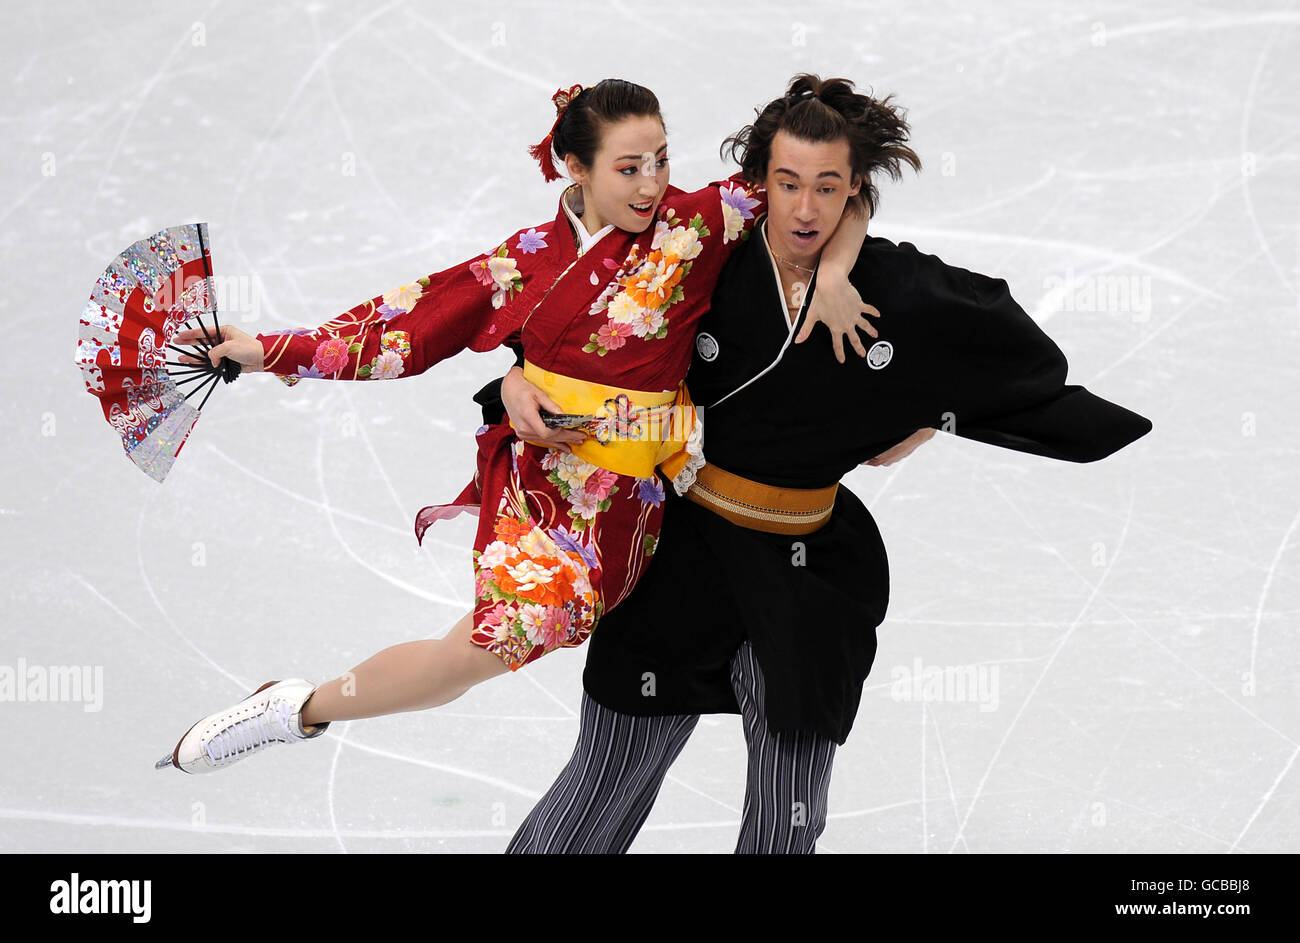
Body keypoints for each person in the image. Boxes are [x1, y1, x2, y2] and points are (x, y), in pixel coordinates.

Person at [490, 74, 1154, 853]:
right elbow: (590, 339)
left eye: (828, 188)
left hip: (806, 580)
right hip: (681, 556)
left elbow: (1020, 359)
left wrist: (934, 411)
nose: (805, 209)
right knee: (604, 776)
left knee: (785, 816)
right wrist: (511, 379)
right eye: (787, 183)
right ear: (757, 182)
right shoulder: (704, 258)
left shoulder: (897, 293)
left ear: (856, 190)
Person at [155, 78, 878, 776]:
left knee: (480, 650)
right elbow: (410, 326)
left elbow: (842, 194)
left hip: (631, 502)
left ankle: (297, 703)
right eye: (628, 168)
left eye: (661, 160)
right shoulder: (527, 259)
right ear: (576, 167)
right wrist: (266, 351)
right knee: (486, 646)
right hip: (541, 486)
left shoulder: (697, 224)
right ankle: (296, 709)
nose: (651, 185)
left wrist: (838, 275)